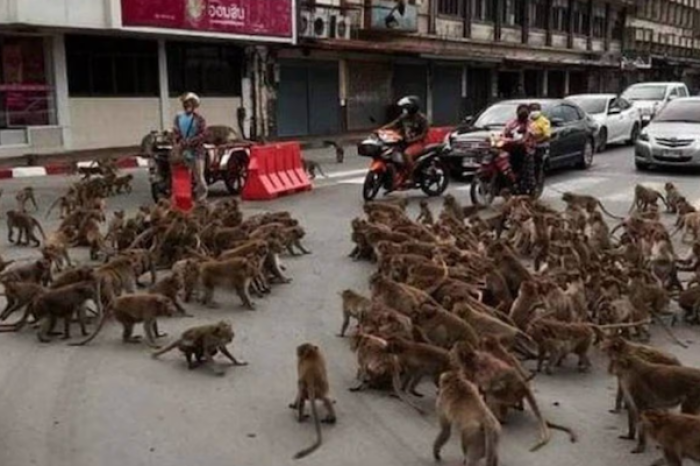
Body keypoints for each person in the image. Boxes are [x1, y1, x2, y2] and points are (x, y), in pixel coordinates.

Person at [382, 96, 429, 179]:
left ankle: (412, 176)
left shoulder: (422, 119)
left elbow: (424, 134)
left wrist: (412, 140)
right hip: (405, 142)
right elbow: (394, 124)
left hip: (419, 143)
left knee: (407, 154)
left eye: (407, 107)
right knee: (390, 152)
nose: (405, 109)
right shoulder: (404, 117)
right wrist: (382, 129)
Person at [173, 92, 208, 202]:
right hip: (183, 151)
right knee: (183, 175)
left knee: (199, 177)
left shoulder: (199, 119)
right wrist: (177, 139)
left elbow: (203, 135)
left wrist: (190, 141)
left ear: (194, 105)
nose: (187, 105)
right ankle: (184, 196)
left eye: (189, 103)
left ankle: (202, 198)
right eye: (185, 103)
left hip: (197, 152)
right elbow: (176, 132)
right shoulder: (178, 118)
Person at [502, 103, 535, 194]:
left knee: (527, 173)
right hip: (512, 148)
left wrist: (523, 139)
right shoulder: (512, 122)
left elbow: (528, 135)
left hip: (526, 150)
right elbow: (505, 132)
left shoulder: (530, 124)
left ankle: (530, 191)